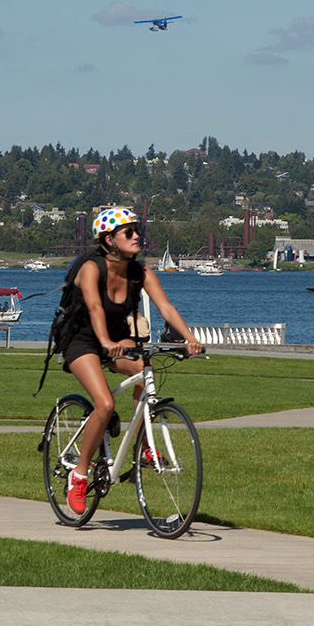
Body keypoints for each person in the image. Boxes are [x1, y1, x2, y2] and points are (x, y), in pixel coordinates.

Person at [61, 207, 204, 514]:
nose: (137, 236)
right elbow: (95, 308)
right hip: (83, 340)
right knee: (105, 404)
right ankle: (80, 475)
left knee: (144, 369)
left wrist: (189, 338)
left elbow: (165, 307)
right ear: (109, 240)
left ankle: (144, 448)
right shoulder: (91, 267)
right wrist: (104, 343)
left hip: (116, 338)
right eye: (129, 232)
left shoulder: (141, 272)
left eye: (138, 230)